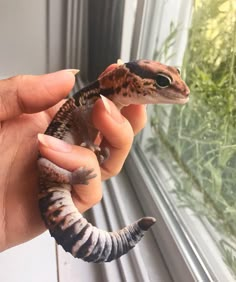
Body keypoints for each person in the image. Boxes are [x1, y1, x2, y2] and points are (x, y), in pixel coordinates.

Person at [0, 67, 147, 251]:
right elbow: (77, 115)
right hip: (54, 174)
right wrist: (72, 177)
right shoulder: (93, 101)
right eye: (162, 82)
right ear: (130, 83)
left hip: (53, 180)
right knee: (48, 161)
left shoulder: (97, 101)